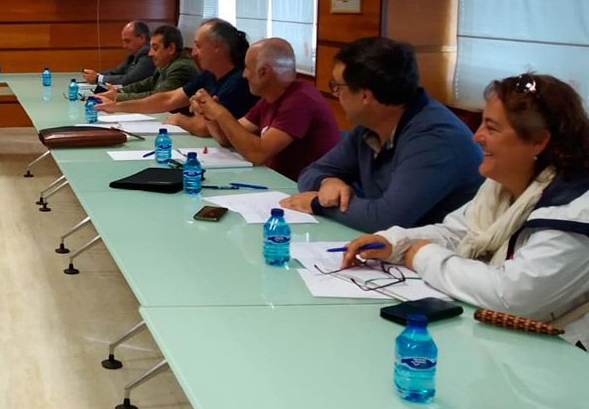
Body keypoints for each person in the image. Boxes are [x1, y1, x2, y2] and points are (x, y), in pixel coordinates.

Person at [342, 74, 589, 349]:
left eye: (491, 128)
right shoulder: (502, 189)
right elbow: (456, 232)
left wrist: (422, 256)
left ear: (538, 142)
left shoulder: (574, 213)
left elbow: (512, 296)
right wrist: (395, 242)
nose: (476, 136)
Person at [282, 37, 483, 231]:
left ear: (365, 96)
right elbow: (310, 173)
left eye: (337, 86)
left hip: (441, 256)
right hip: (392, 248)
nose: (335, 93)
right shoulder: (370, 126)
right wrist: (328, 182)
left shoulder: (435, 139)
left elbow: (386, 219)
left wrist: (318, 203)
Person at [190, 38, 339, 180]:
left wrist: (220, 112)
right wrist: (208, 114)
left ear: (264, 72)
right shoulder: (270, 97)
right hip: (276, 181)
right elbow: (227, 138)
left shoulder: (301, 100)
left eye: (247, 68)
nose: (244, 75)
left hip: (305, 191)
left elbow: (258, 154)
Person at [94, 18, 258, 136]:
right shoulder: (209, 75)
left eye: (198, 46)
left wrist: (180, 120)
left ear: (218, 47)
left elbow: (203, 128)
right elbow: (168, 98)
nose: (193, 52)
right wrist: (116, 106)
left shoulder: (240, 82)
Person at [91, 25, 199, 103]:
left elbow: (158, 97)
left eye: (155, 48)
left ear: (171, 48)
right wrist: (120, 90)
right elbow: (145, 84)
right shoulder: (166, 63)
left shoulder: (181, 67)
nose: (150, 53)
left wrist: (117, 97)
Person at [82, 21, 155, 87]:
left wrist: (98, 78)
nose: (124, 46)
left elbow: (129, 80)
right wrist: (95, 75)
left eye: (127, 41)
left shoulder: (148, 53)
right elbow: (117, 72)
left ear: (142, 38)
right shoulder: (134, 53)